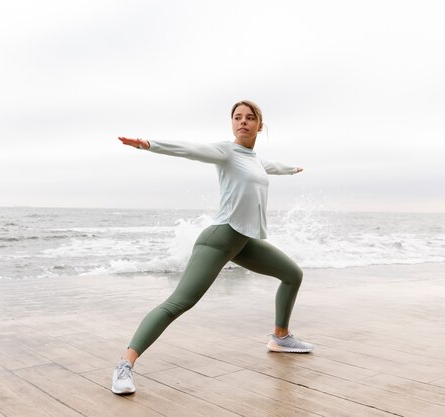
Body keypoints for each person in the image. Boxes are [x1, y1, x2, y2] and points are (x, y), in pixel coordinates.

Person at [110, 100, 314, 395]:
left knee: (293, 274)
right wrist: (148, 144)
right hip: (219, 239)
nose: (242, 122)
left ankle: (280, 337)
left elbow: (270, 167)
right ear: (232, 124)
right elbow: (190, 149)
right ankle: (124, 365)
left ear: (260, 125)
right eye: (237, 117)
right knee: (179, 303)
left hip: (243, 242)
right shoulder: (226, 152)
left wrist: (292, 169)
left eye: (249, 118)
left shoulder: (254, 160)